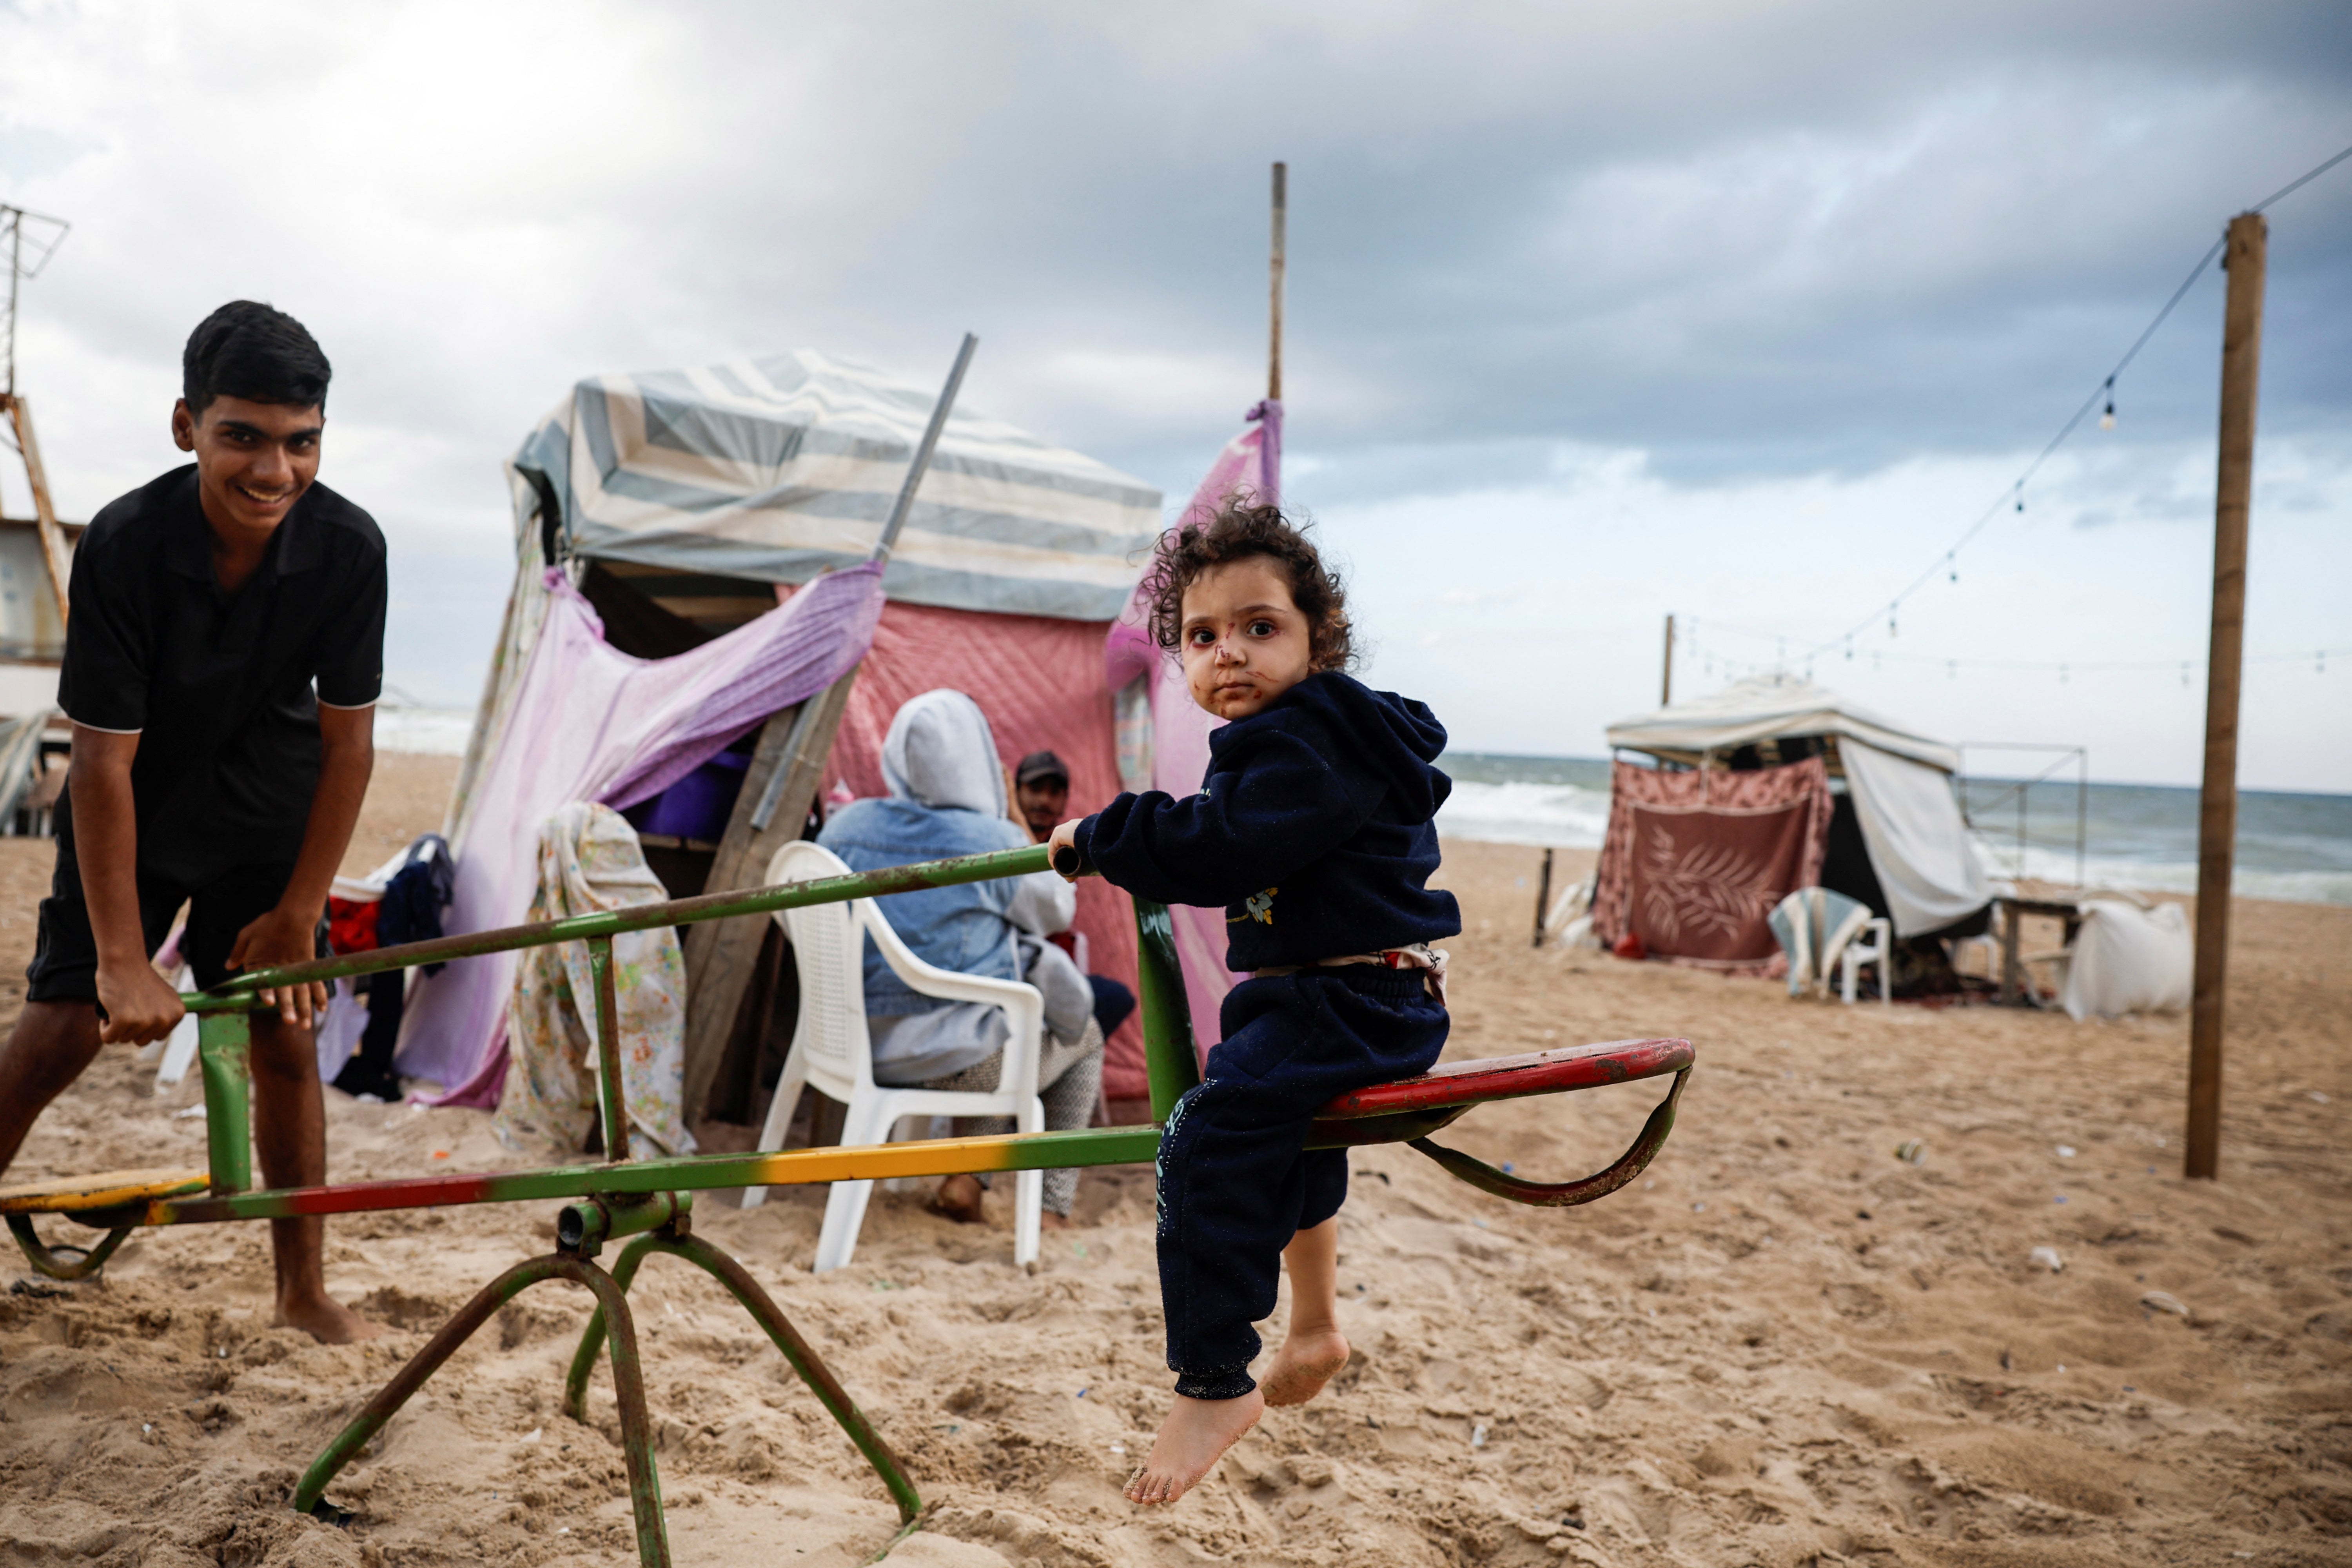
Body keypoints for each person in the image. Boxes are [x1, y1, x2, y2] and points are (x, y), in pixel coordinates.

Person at [1048, 502, 1458, 1505]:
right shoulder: (1313, 737)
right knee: (1291, 1142)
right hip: (1344, 994)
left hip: (1349, 997)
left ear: (1319, 639)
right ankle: (1314, 1325)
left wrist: (1107, 837)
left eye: (1259, 626)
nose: (1228, 651)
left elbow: (1221, 847)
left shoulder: (1308, 737)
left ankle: (1212, 1379)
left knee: (1202, 1135)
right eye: (1202, 635)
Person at [0, 302, 387, 1343]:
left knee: (284, 1027)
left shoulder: (350, 548)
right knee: (56, 1032)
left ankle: (301, 1290)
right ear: (188, 426)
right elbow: (102, 763)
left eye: (300, 442)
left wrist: (302, 910)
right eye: (244, 437)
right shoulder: (126, 543)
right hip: (138, 799)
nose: (274, 470)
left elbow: (350, 749)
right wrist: (124, 959)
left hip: (272, 805)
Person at [817, 690, 1105, 1226]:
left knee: (1006, 1028)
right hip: (958, 1065)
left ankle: (968, 1181)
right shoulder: (992, 841)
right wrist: (1013, 815)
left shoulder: (844, 829)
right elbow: (1058, 910)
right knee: (1079, 1036)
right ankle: (1049, 1209)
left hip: (850, 1046)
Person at [1012, 749, 1070, 843]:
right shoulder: (992, 845)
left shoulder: (1069, 854)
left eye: (1055, 792)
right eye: (1035, 789)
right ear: (1016, 792)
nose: (1044, 800)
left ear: (1065, 802)